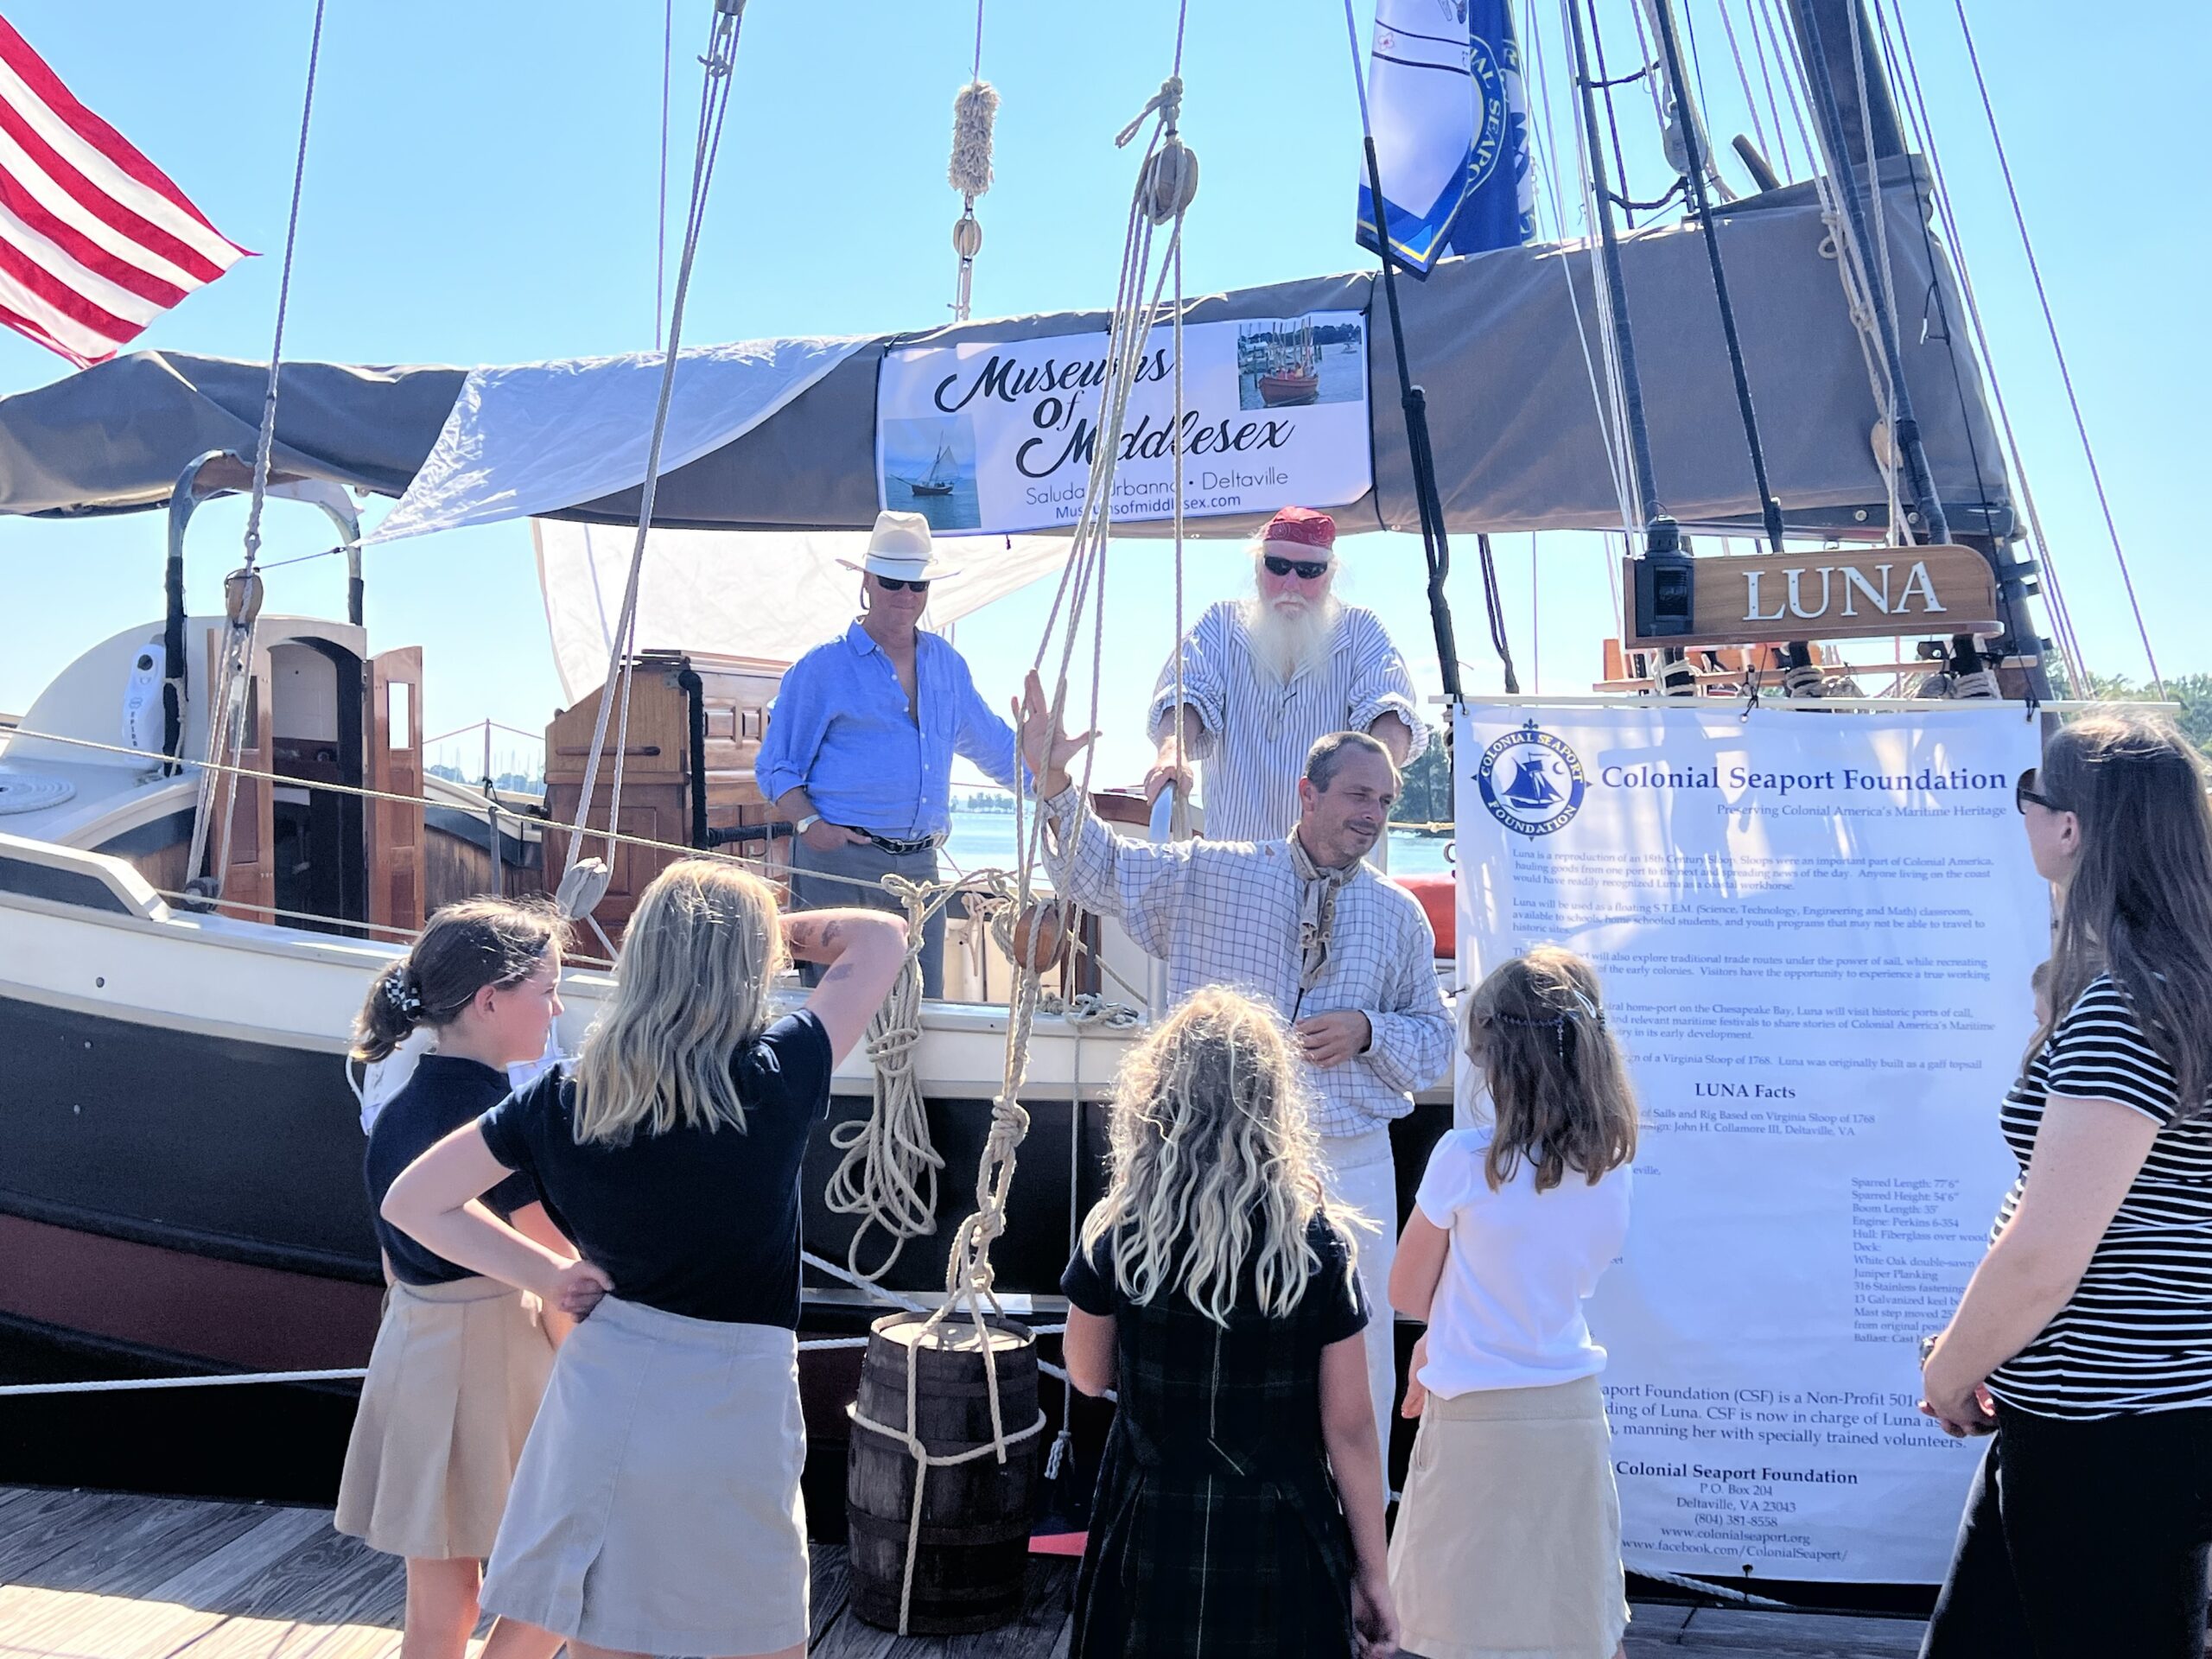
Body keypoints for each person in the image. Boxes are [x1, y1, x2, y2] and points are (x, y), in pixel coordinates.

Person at [381, 861, 908, 1659]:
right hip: (733, 1401)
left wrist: (550, 1276)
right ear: (748, 964)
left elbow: (414, 1203)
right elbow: (882, 937)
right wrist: (761, 930)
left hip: (606, 1387)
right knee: (759, 1639)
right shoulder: (778, 1072)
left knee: (606, 1637)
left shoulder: (560, 1096)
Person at [1018, 670, 1455, 1457]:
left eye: (1386, 801)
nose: (1372, 813)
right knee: (1213, 1343)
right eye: (1358, 795)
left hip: (1349, 1165)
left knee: (1358, 1362)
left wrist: (1368, 1031)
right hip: (1213, 1160)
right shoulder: (1212, 873)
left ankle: (1351, 1521)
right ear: (1307, 795)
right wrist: (1052, 783)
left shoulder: (1399, 916)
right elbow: (1099, 872)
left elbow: (1434, 1041)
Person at [1919, 715, 2212, 1659]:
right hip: (2117, 1415)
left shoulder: (2130, 1006)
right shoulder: (2176, 985)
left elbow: (2045, 1255)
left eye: (2029, 798)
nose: (2026, 818)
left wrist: (1949, 1370)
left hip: (2108, 1439)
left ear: (2071, 827)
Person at [1061, 985, 1399, 1658]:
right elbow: (1351, 1428)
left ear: (1157, 1101)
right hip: (1282, 1533)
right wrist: (1375, 1576)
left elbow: (1087, 1372)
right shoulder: (1318, 1246)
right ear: (1272, 1106)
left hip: (1152, 1524)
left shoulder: (1119, 1232)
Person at [334, 898, 572, 1659]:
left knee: (440, 1603)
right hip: (497, 1356)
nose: (557, 1009)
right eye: (547, 990)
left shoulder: (401, 1108)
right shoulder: (495, 1122)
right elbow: (557, 1264)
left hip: (414, 1344)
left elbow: (393, 1252)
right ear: (489, 1000)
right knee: (573, 1575)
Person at [1387, 947, 1637, 1659]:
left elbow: (1407, 1291)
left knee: (1452, 1632)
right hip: (1571, 1415)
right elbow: (1568, 1282)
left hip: (1475, 1420)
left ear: (1497, 1061)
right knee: (1576, 1628)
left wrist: (1440, 1332)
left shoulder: (1464, 1159)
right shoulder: (1610, 1167)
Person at [754, 508, 1022, 997]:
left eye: (916, 584)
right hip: (839, 865)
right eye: (892, 581)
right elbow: (776, 767)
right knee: (835, 1009)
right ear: (867, 582)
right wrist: (812, 827)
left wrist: (1058, 787)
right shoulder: (822, 667)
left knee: (923, 1008)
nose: (905, 594)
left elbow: (998, 749)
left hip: (921, 871)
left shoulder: (947, 665)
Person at [1144, 505, 1425, 843]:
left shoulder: (1362, 630)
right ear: (1258, 567)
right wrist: (1173, 751)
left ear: (1330, 575)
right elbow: (1189, 692)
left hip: (1330, 867)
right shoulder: (1220, 624)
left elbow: (1388, 706)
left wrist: (1383, 762)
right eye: (1277, 566)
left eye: (1309, 571)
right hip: (1232, 861)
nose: (1291, 584)